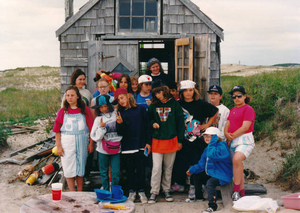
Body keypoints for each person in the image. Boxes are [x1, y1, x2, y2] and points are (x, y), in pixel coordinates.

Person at [172, 80, 219, 202]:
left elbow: (215, 111)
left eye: (191, 90)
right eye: (186, 90)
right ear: (182, 92)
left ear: (194, 91)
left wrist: (208, 124)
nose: (189, 93)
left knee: (195, 162)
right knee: (181, 161)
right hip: (182, 139)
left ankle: (194, 186)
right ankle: (181, 184)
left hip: (197, 140)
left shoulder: (201, 104)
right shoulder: (177, 104)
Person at [147, 81, 185, 204]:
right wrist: (153, 123)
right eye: (155, 93)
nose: (157, 95)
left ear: (164, 90)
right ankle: (154, 191)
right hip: (157, 140)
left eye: (159, 92)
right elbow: (148, 118)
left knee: (168, 168)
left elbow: (180, 123)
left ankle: (166, 189)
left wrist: (180, 140)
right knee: (157, 168)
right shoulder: (153, 105)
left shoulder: (175, 104)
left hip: (172, 139)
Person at [113, 88, 151, 204]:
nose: (121, 101)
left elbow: (147, 126)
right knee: (130, 171)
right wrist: (120, 124)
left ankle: (141, 191)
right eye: (119, 100)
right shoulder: (120, 112)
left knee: (140, 170)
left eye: (122, 98)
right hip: (127, 147)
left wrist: (148, 142)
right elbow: (121, 132)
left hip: (140, 145)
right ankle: (131, 191)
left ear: (128, 96)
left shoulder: (140, 109)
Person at [53, 86, 94, 191]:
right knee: (68, 166)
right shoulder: (63, 111)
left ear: (77, 97)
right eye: (67, 95)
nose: (70, 97)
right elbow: (57, 130)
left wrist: (91, 143)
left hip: (82, 142)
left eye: (72, 95)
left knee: (80, 167)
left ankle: (79, 192)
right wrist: (59, 146)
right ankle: (72, 191)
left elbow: (91, 128)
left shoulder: (85, 110)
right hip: (67, 143)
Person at [187, 127, 233, 213]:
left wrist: (212, 143)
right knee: (196, 174)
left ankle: (212, 206)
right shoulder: (208, 148)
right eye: (205, 136)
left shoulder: (222, 146)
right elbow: (202, 164)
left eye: (210, 136)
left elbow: (213, 155)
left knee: (210, 183)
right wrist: (192, 169)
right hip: (212, 172)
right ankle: (199, 197)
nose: (207, 138)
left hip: (222, 174)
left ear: (216, 137)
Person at [224, 85, 255, 201]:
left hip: (244, 140)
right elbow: (227, 124)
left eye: (239, 96)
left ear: (244, 96)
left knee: (237, 159)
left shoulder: (248, 109)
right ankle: (241, 193)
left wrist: (232, 136)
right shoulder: (232, 110)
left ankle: (235, 191)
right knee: (237, 166)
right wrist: (226, 133)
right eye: (234, 96)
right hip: (233, 140)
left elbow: (245, 127)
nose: (236, 98)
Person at [90, 95, 123, 191]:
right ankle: (105, 190)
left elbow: (122, 132)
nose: (103, 109)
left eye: (105, 106)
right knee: (103, 172)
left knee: (116, 172)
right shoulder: (98, 119)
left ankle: (115, 190)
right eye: (101, 107)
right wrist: (101, 128)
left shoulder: (117, 114)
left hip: (116, 148)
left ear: (110, 105)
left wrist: (120, 124)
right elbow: (95, 137)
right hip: (102, 150)